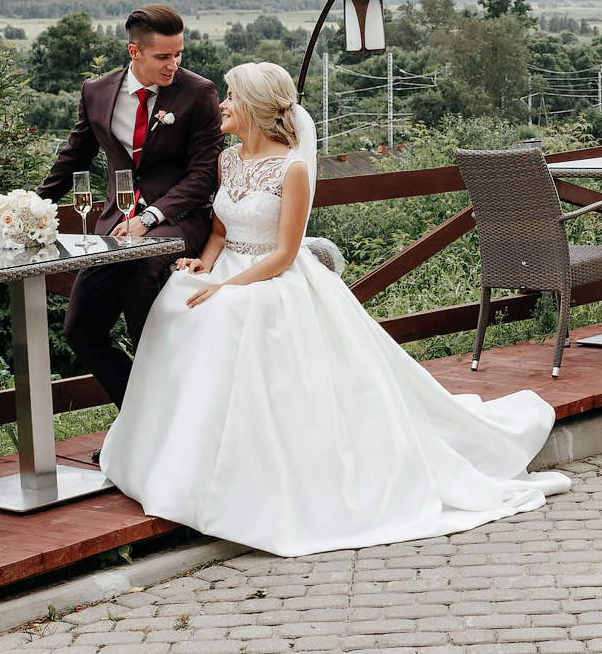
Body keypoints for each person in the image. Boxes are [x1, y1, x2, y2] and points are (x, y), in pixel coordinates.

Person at [99, 61, 568, 557]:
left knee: (229, 314)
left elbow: (284, 252)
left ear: (255, 107)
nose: (223, 106)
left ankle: (246, 473)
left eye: (231, 96)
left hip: (273, 275)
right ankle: (176, 460)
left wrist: (229, 288)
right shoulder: (227, 160)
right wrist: (203, 265)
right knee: (177, 303)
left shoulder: (292, 169)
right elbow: (218, 230)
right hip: (229, 266)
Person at [37, 4, 221, 408]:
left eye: (179, 55)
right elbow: (74, 158)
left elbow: (203, 174)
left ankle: (167, 423)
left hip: (178, 220)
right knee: (81, 329)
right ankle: (138, 418)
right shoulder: (97, 91)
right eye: (163, 57)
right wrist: (30, 207)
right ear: (134, 52)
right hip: (116, 229)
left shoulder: (198, 92)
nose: (174, 65)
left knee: (141, 282)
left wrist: (151, 217)